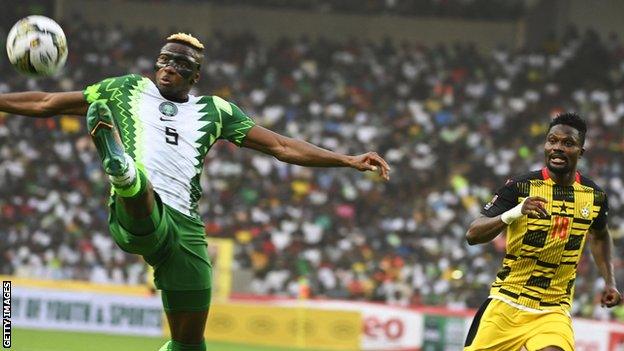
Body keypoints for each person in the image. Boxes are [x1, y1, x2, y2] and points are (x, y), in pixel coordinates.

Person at [0, 33, 390, 351]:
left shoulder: (216, 111)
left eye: (181, 64)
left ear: (195, 76)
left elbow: (280, 146)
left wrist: (347, 159)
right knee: (140, 190)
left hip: (186, 228)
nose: (170, 67)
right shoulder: (126, 89)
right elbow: (48, 101)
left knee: (189, 342)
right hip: (140, 212)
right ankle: (122, 173)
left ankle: (128, 177)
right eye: (165, 59)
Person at [463, 112, 620, 351]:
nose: (557, 147)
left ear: (581, 151)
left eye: (568, 143)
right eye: (552, 140)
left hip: (552, 309)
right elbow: (473, 234)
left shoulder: (594, 196)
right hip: (507, 303)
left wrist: (610, 281)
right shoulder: (521, 187)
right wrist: (515, 212)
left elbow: (600, 234)